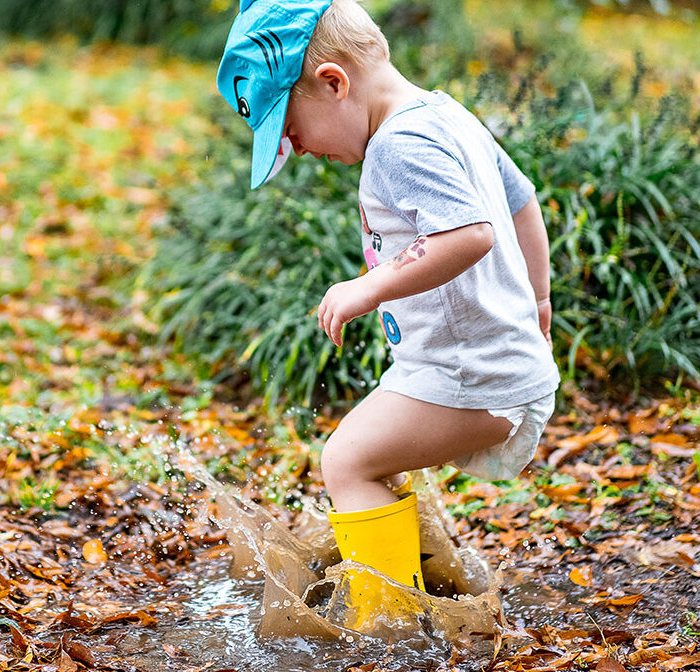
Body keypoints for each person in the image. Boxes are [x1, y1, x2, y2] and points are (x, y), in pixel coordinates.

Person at [216, 0, 559, 631]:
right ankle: (429, 583)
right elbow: (522, 201)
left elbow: (471, 234)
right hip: (488, 364)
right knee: (376, 460)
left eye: (290, 130)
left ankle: (391, 632)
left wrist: (370, 286)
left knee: (345, 461)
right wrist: (538, 298)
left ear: (334, 83)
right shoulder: (444, 113)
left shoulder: (397, 145)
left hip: (468, 374)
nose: (297, 149)